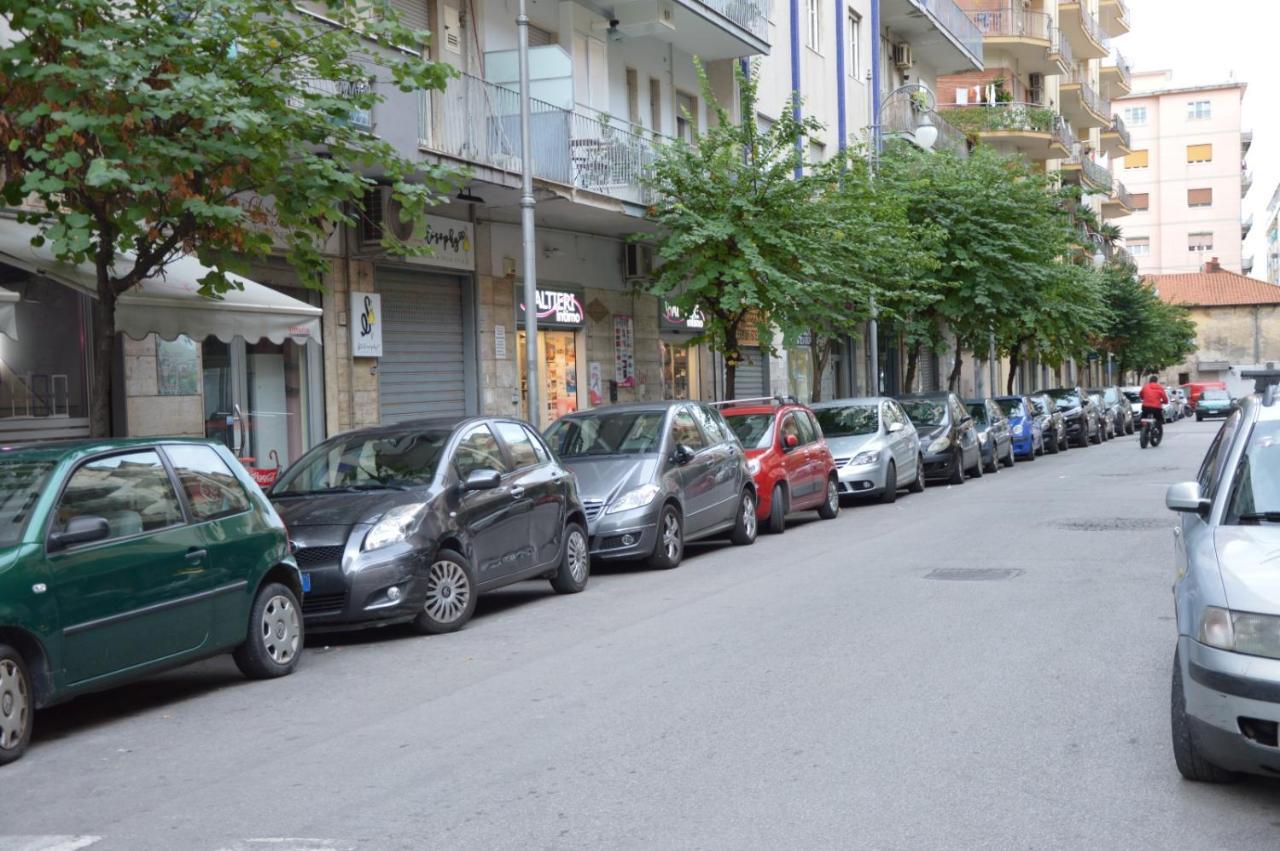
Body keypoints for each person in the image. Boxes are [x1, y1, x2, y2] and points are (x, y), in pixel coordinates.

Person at [1139, 375, 1169, 439]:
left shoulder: (1145, 386)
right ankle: (1156, 429)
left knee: (1142, 418)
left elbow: (1141, 394)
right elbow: (1165, 399)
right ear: (1156, 381)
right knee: (1159, 419)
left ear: (1149, 380)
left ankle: (1142, 430)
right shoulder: (1160, 387)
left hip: (1146, 407)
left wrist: (1143, 398)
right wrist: (1164, 402)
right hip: (1156, 408)